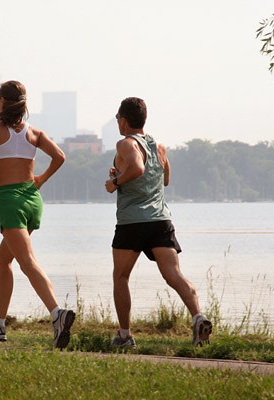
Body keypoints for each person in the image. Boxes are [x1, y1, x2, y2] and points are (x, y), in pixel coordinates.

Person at [0, 80, 75, 349]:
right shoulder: (34, 133)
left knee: (26, 261)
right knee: (3, 259)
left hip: (9, 200)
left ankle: (56, 314)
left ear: (2, 102)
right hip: (32, 199)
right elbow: (60, 156)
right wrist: (40, 180)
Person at [104, 97, 212, 348]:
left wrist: (115, 183)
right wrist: (123, 174)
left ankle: (124, 335)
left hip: (132, 221)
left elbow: (138, 169)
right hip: (160, 219)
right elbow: (165, 179)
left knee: (120, 276)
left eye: (118, 119)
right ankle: (198, 317)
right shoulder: (158, 145)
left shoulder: (125, 143)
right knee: (174, 274)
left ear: (123, 119)